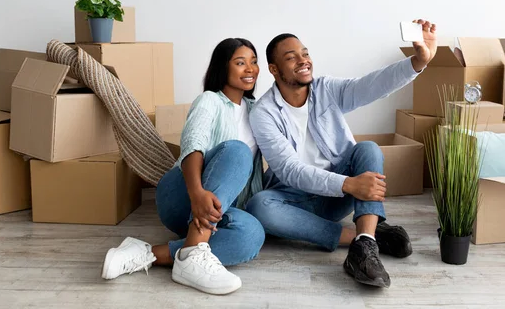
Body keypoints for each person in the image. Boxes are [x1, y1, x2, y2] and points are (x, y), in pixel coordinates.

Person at [245, 20, 437, 288]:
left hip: (340, 197)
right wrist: (349, 184)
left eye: (305, 53)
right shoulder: (263, 113)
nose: (303, 61)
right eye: (292, 57)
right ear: (274, 69)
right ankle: (364, 235)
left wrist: (417, 62)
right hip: (298, 200)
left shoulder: (326, 89)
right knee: (260, 206)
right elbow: (290, 171)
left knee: (367, 149)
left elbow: (371, 86)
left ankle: (364, 249)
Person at [100, 38, 266, 295]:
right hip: (182, 193)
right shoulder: (209, 100)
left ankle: (153, 253)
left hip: (217, 210)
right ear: (223, 67)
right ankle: (192, 252)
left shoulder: (258, 111)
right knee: (237, 151)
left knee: (252, 234)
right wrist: (197, 193)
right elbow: (193, 145)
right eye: (240, 62)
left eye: (254, 62)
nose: (250, 69)